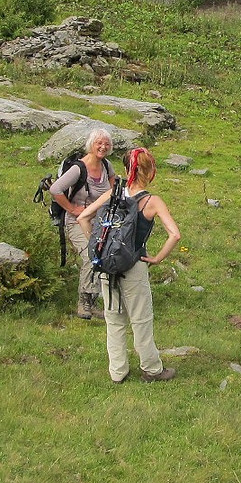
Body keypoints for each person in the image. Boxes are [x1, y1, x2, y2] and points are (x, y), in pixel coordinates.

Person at [78, 147, 181, 383]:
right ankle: (152, 369)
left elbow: (83, 217)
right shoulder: (151, 201)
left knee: (113, 319)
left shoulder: (112, 194)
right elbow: (175, 235)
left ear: (127, 169)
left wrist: (98, 250)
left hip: (106, 266)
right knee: (141, 319)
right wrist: (156, 259)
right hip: (134, 265)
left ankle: (118, 372)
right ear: (151, 171)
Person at [50, 128, 115, 319]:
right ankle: (83, 303)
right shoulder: (79, 169)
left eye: (106, 144)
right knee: (90, 254)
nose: (103, 147)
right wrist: (71, 208)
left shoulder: (107, 166)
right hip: (76, 222)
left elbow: (112, 190)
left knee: (104, 255)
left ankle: (93, 302)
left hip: (100, 222)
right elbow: (55, 189)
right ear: (91, 145)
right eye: (99, 143)